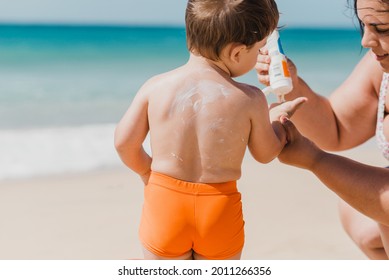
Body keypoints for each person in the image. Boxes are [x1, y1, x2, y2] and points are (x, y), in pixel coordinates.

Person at [114, 0, 305, 260]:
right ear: (237, 53)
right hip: (218, 211)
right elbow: (265, 153)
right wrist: (278, 123)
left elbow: (124, 143)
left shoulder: (155, 86)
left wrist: (146, 171)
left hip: (165, 205)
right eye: (259, 49)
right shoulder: (249, 98)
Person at [257, 0, 389, 259]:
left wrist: (316, 161)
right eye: (363, 25)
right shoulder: (380, 69)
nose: (365, 40)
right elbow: (337, 128)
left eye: (381, 28)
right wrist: (292, 84)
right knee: (358, 215)